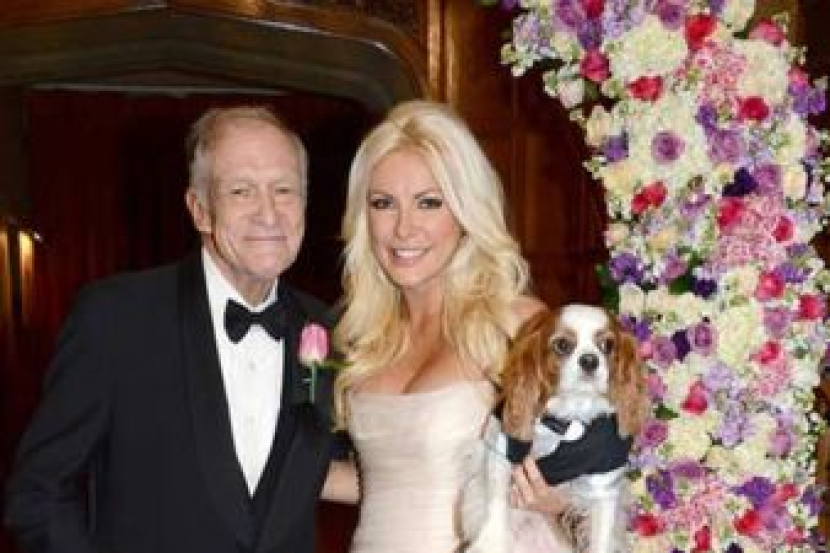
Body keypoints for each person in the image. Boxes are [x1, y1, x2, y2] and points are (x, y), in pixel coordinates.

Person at [4, 106, 337, 553]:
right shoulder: (115, 319)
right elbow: (37, 492)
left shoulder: (328, 328)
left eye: (284, 190)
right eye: (241, 191)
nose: (269, 213)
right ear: (200, 210)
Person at [320, 100, 570, 552]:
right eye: (383, 204)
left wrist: (559, 500)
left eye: (429, 203)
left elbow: (592, 474)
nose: (404, 229)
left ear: (465, 212)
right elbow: (391, 481)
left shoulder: (515, 325)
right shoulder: (367, 337)